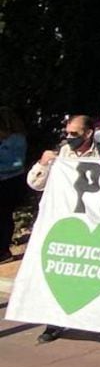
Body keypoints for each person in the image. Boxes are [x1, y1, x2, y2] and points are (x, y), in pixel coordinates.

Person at [26, 114, 100, 344]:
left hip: (94, 222)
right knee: (60, 270)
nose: (69, 138)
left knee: (95, 271)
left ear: (88, 133)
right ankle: (54, 322)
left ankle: (99, 319)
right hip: (63, 222)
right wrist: (43, 163)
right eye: (67, 133)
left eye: (75, 134)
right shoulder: (62, 154)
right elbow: (35, 184)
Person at [0, 107, 28, 263]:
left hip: (10, 182)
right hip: (5, 181)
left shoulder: (17, 140)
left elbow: (16, 163)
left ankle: (3, 251)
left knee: (4, 216)